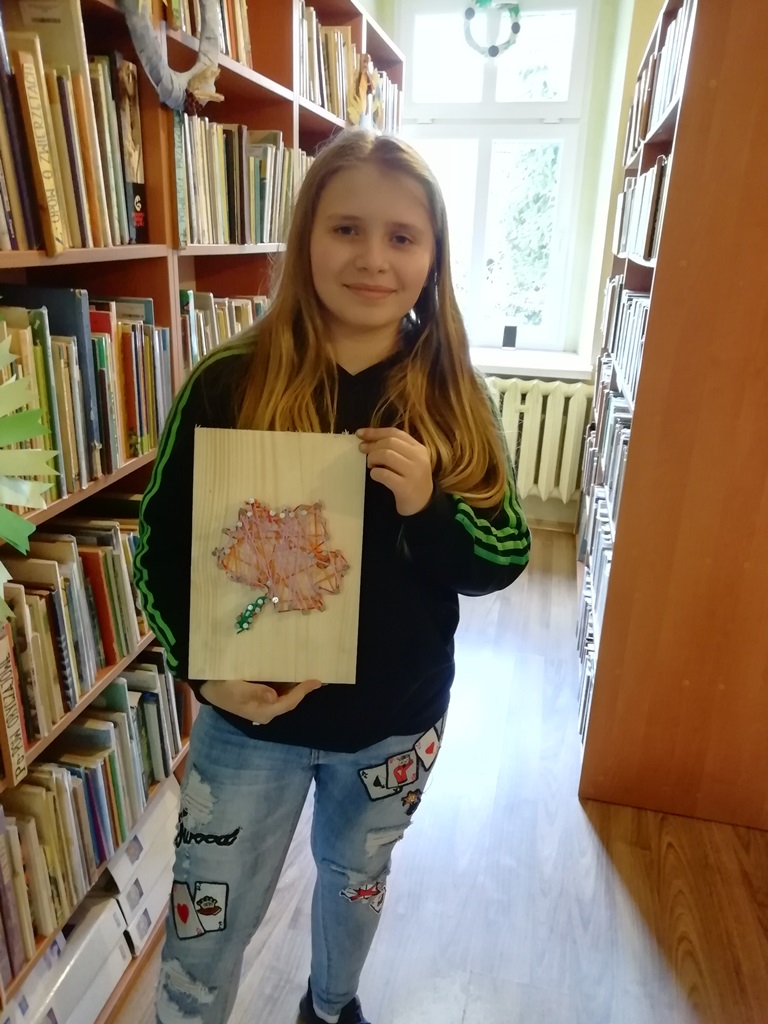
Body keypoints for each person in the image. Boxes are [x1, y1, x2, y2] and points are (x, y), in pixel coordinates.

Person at [135, 127, 531, 1024]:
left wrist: (429, 505)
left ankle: (330, 1004)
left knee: (356, 880)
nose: (373, 258)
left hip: (393, 723)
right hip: (250, 721)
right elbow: (158, 546)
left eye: (402, 236)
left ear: (433, 258)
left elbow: (503, 556)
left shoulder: (453, 394)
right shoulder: (228, 382)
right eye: (346, 228)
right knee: (210, 908)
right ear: (306, 236)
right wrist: (203, 670)